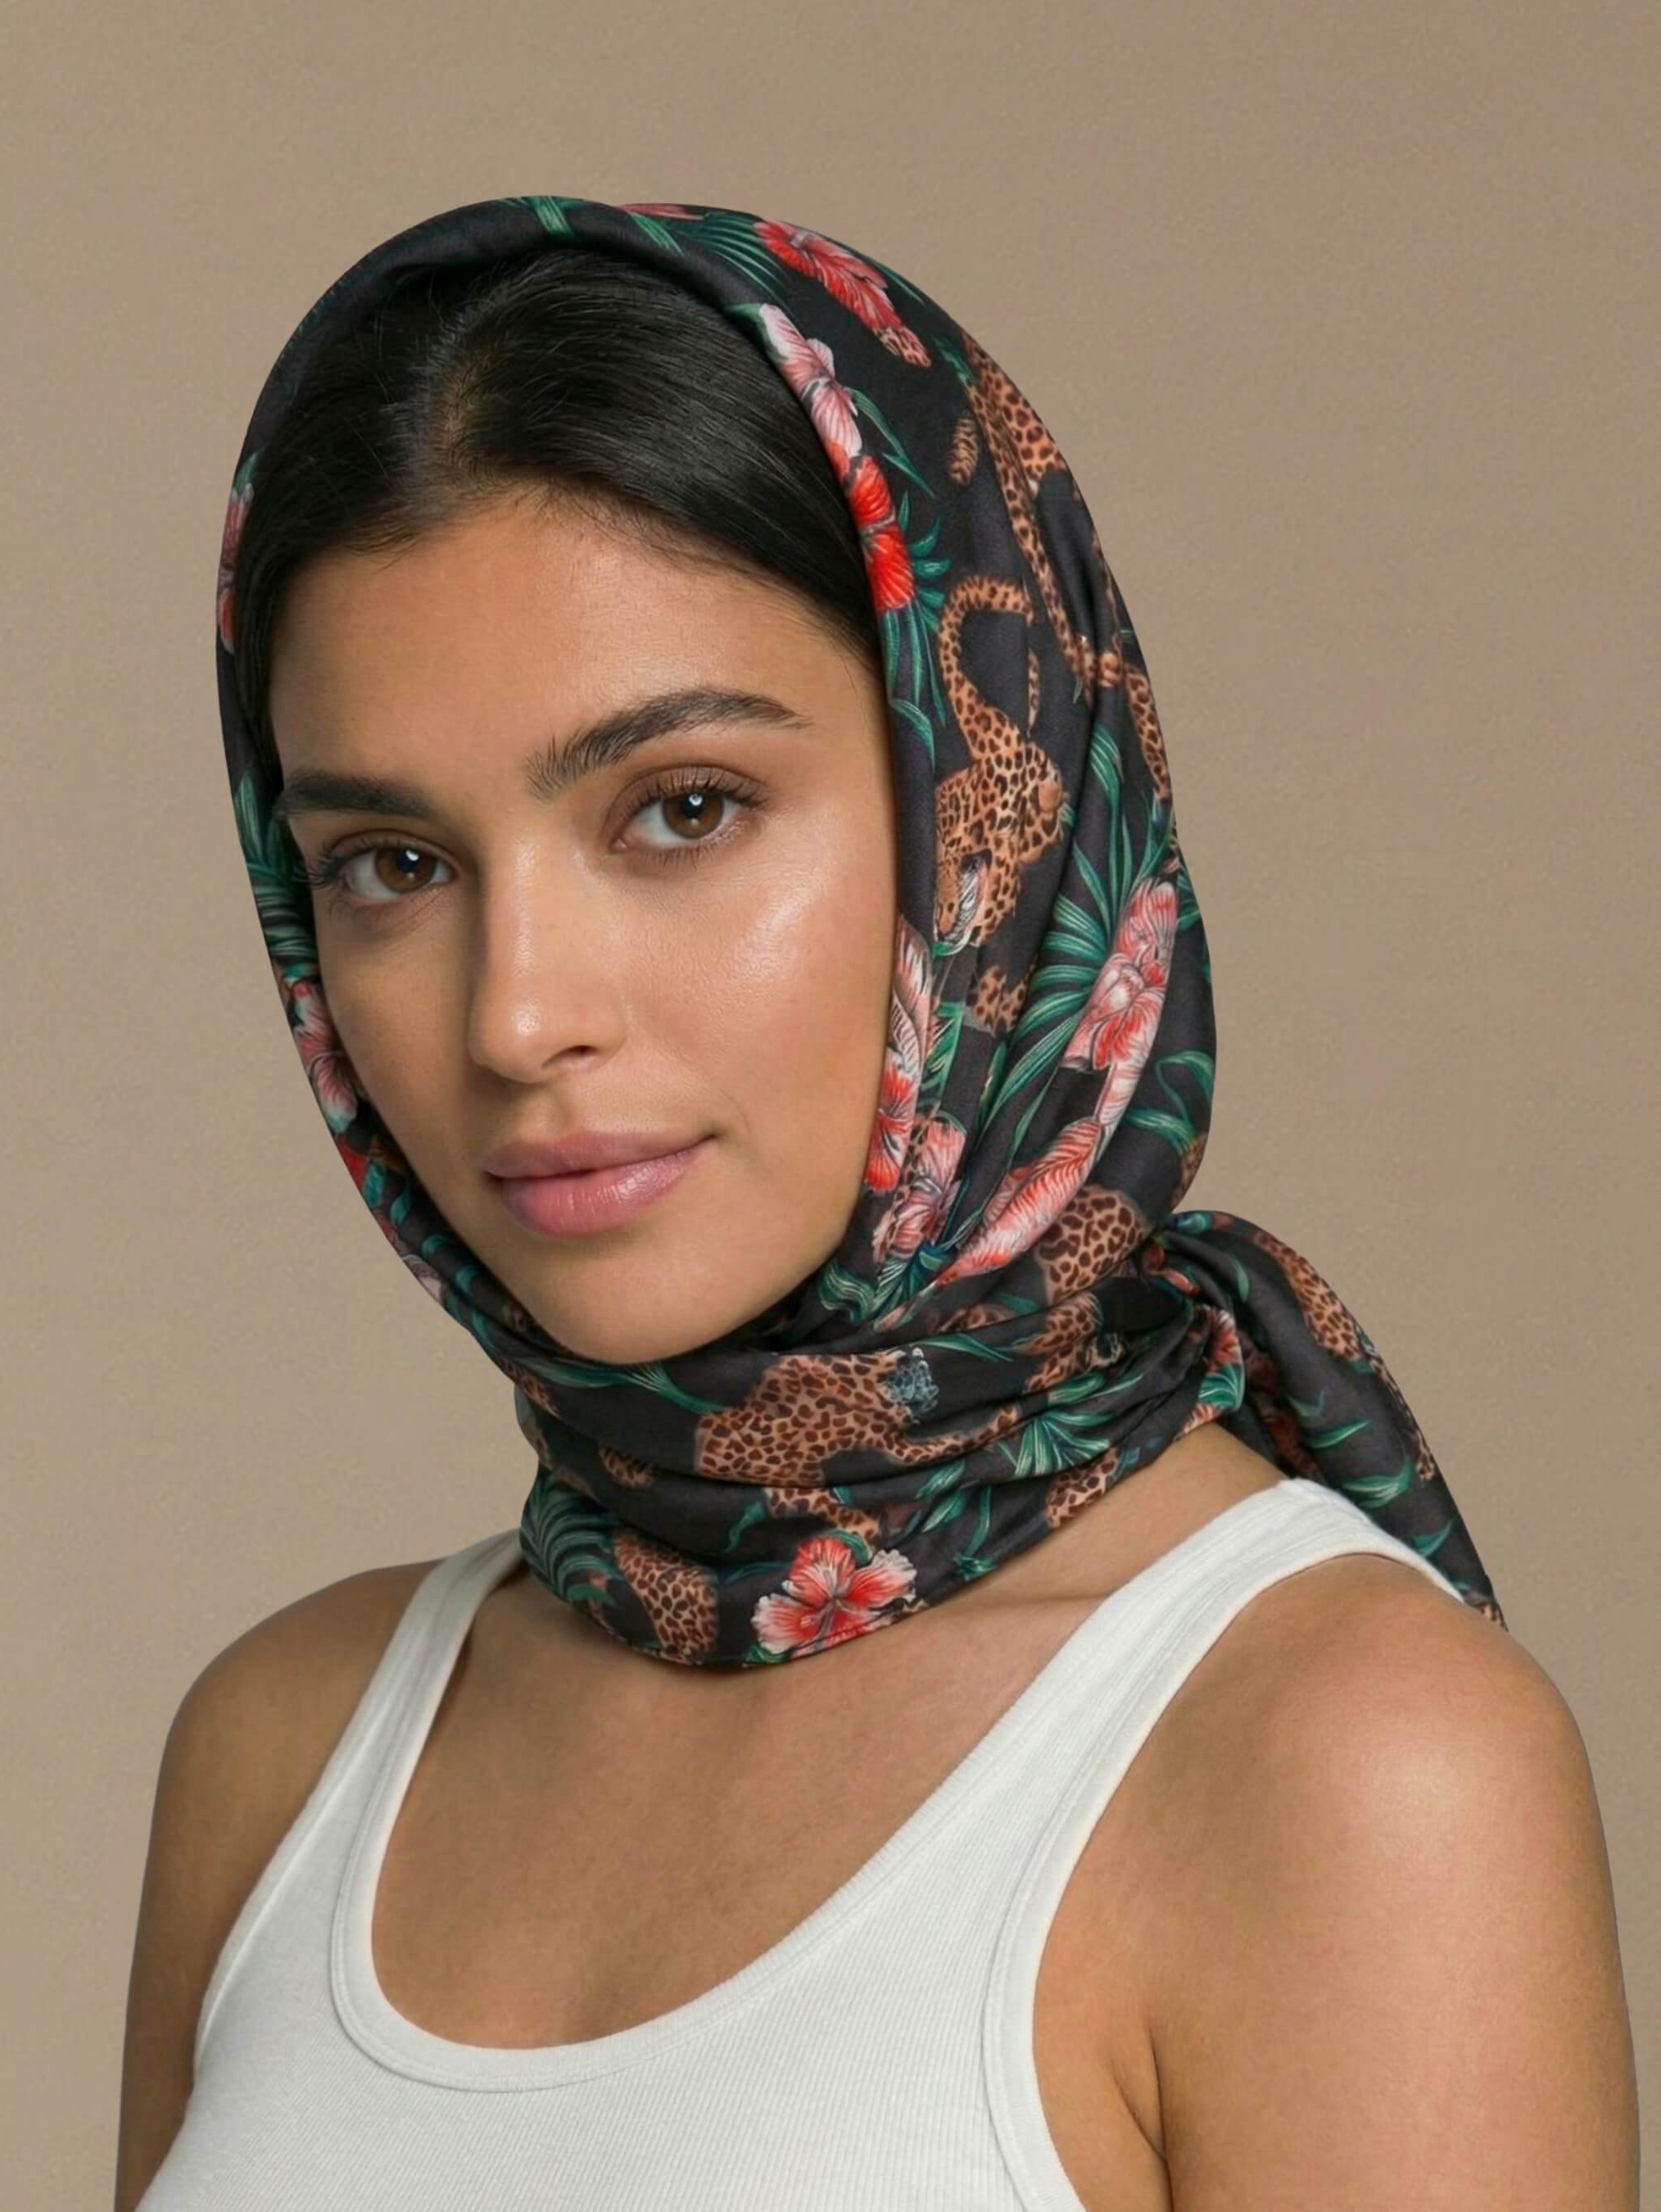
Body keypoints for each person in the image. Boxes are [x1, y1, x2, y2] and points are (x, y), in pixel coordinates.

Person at [115, 197, 1637, 2210]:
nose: (517, 1015)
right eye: (394, 863)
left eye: (681, 810)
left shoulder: (1344, 1767)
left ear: (992, 808)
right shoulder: (285, 1755)